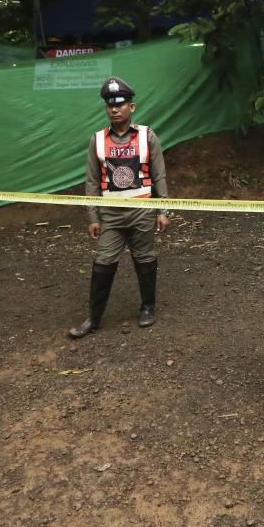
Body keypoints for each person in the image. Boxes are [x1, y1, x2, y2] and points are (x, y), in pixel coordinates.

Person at [69, 77, 171, 339]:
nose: (115, 109)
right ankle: (94, 318)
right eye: (110, 105)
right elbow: (92, 181)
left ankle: (148, 308)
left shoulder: (148, 136)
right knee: (103, 263)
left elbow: (159, 176)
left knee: (145, 259)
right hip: (110, 215)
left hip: (142, 211)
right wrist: (93, 216)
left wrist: (163, 210)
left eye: (120, 104)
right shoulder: (98, 140)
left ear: (132, 107)